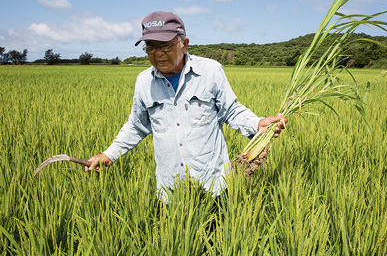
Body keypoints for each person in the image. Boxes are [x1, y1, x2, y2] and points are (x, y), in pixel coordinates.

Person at [87, 11, 287, 202]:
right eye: (151, 46)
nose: (158, 53)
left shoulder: (210, 71)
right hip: (170, 190)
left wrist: (257, 123)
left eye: (165, 45)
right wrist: (109, 154)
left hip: (214, 186)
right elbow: (136, 125)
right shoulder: (143, 82)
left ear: (184, 44)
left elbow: (231, 110)